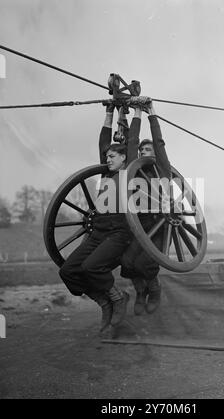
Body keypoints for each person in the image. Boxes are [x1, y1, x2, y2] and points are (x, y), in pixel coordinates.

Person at [59, 102, 142, 332]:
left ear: (125, 158)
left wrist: (136, 113)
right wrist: (108, 112)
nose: (108, 158)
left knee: (91, 267)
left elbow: (133, 141)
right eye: (107, 156)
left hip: (119, 233)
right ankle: (104, 301)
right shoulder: (105, 172)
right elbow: (103, 141)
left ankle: (117, 298)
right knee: (67, 272)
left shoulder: (129, 172)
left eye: (113, 156)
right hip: (98, 231)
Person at [121, 100, 172, 316]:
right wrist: (136, 113)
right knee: (126, 262)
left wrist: (151, 113)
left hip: (159, 226)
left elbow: (159, 143)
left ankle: (154, 289)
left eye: (147, 149)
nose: (143, 152)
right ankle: (140, 292)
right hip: (140, 225)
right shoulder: (135, 172)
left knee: (144, 263)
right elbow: (131, 143)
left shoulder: (162, 169)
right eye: (142, 150)